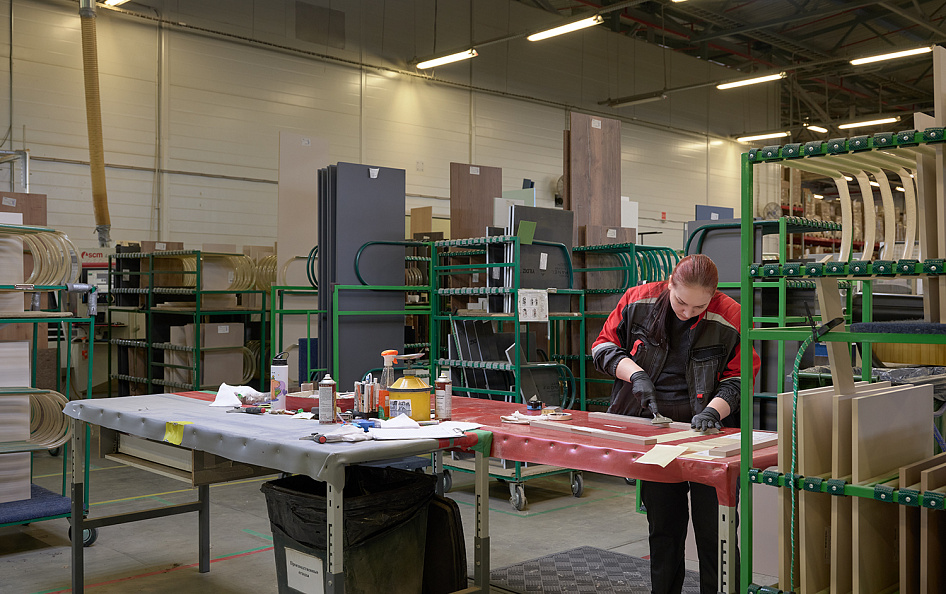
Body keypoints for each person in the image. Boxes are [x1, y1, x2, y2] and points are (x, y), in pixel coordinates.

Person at [591, 254, 760, 594]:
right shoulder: (637, 300)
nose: (687, 312)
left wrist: (713, 412)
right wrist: (635, 375)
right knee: (664, 529)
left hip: (709, 435)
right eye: (681, 302)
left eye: (699, 307)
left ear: (713, 296)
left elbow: (741, 377)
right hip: (657, 433)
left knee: (716, 532)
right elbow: (602, 347)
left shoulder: (731, 316)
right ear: (669, 284)